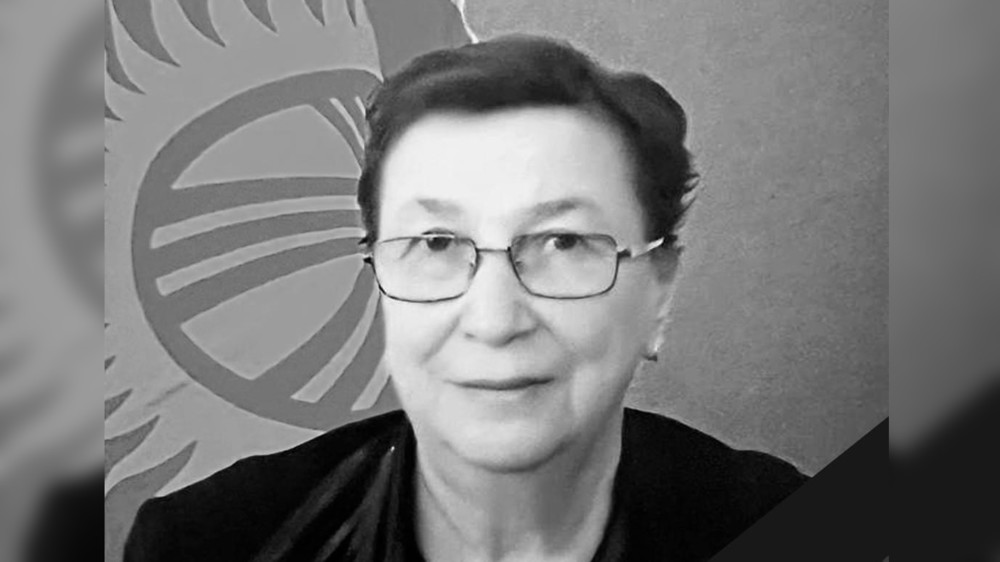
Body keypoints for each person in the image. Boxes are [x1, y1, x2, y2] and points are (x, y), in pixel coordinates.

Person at [124, 35, 807, 562]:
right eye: (437, 244)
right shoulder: (208, 544)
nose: (493, 320)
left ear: (658, 293)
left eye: (564, 242)